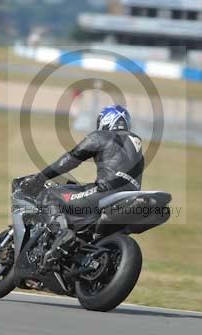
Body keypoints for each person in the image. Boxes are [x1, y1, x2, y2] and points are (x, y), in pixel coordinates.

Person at [19, 104, 144, 262]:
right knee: (75, 193)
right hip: (129, 199)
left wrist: (40, 178)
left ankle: (61, 234)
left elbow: (70, 159)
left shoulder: (102, 136)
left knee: (49, 194)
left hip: (106, 193)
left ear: (107, 120)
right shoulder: (138, 151)